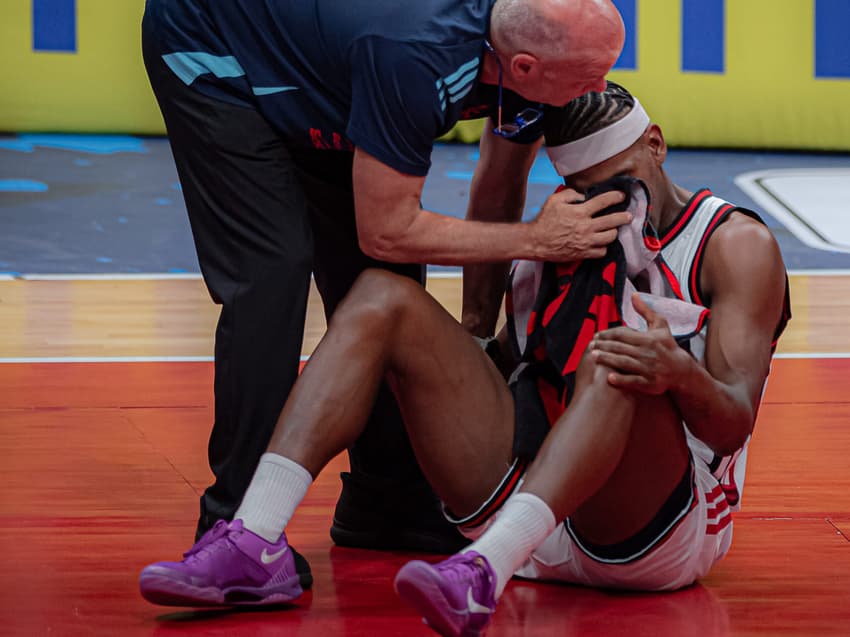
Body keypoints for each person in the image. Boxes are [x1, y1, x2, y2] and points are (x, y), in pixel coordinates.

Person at [138, 81, 791, 637]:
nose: (616, 202)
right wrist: (475, 343)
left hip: (654, 533)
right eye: (589, 187)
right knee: (381, 296)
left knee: (613, 352)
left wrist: (677, 371)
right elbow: (517, 378)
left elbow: (732, 419)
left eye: (624, 181)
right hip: (533, 508)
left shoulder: (734, 244)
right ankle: (254, 540)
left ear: (656, 144)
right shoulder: (566, 231)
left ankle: (482, 571)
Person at [140, 0, 629, 562]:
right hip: (216, 45)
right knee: (271, 278)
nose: (601, 87)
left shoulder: (528, 47)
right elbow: (387, 230)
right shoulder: (417, 53)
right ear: (522, 68)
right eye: (590, 74)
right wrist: (537, 241)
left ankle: (387, 502)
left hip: (334, 57)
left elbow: (498, 183)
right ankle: (231, 524)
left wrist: (475, 332)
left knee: (380, 286)